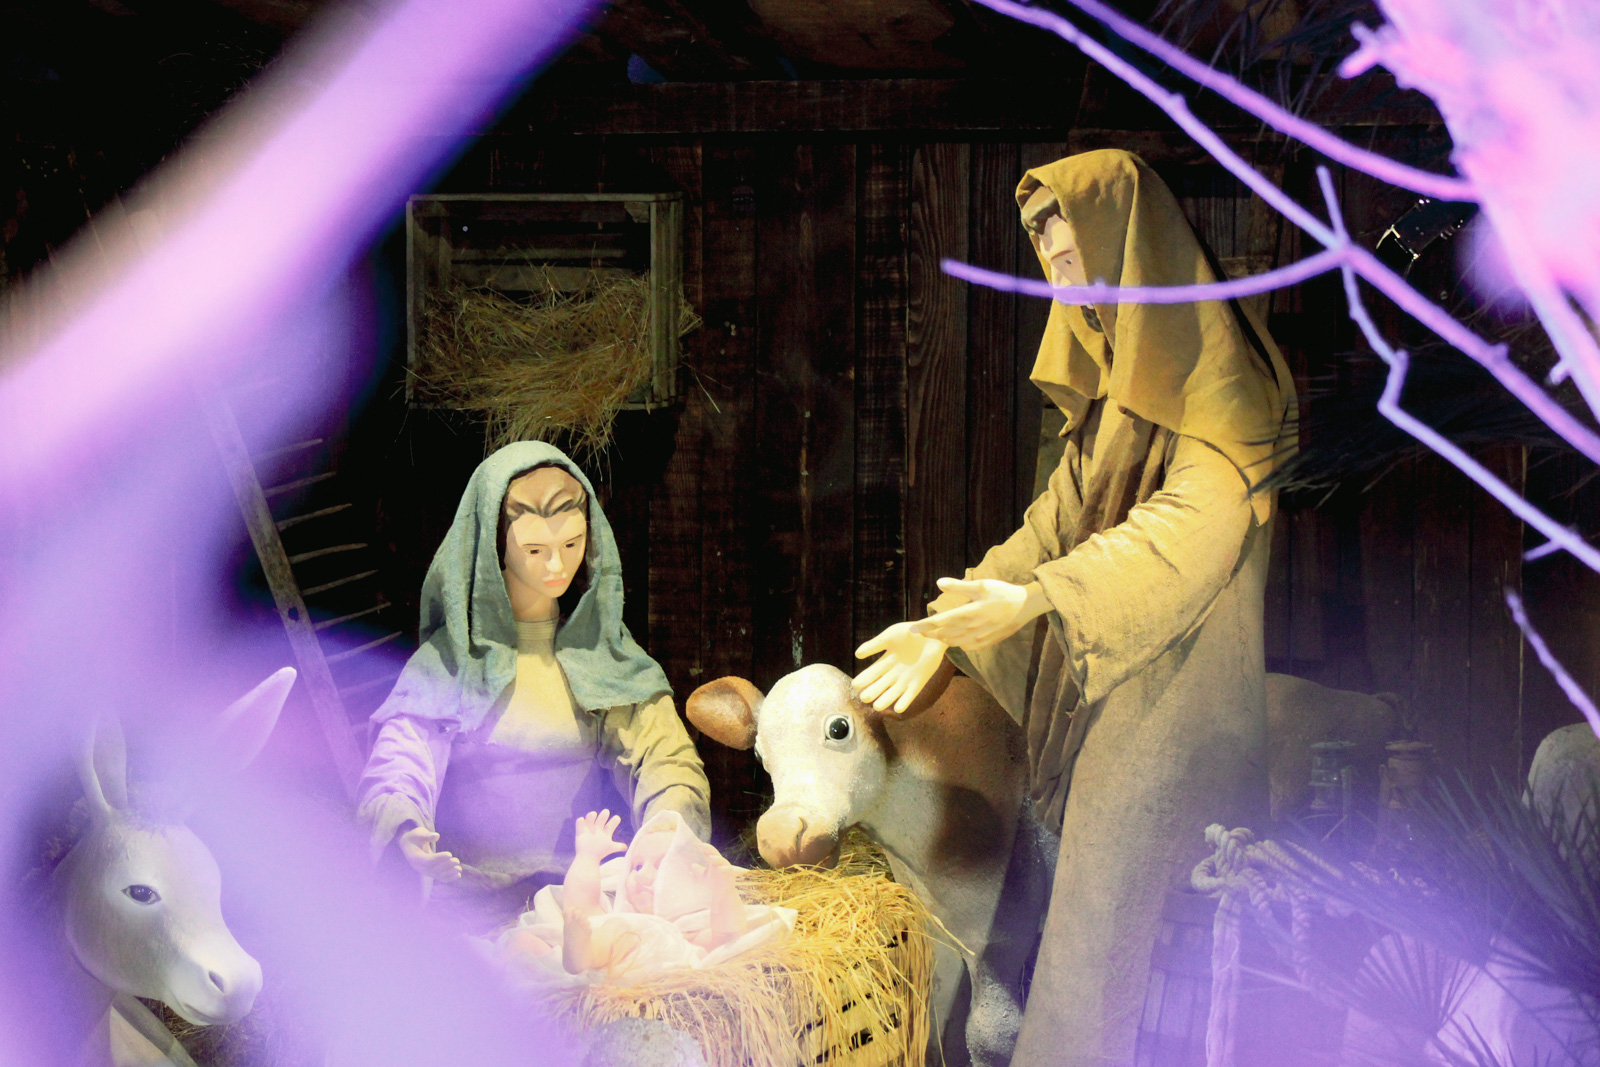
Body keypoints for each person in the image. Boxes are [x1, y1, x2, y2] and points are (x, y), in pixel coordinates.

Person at [853, 149, 1295, 1067]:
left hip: (1181, 700)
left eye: (1069, 241)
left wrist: (1038, 598)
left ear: (1131, 245)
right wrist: (946, 624)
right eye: (1045, 249)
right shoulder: (1116, 389)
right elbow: (1051, 524)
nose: (1055, 261)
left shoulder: (1227, 380)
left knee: (1104, 933)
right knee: (1045, 919)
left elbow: (1187, 531)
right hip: (1102, 685)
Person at [357, 441, 711, 926]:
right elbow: (401, 761)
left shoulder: (605, 661)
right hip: (468, 911)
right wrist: (402, 823)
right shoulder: (450, 665)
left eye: (572, 545)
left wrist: (668, 826)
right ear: (494, 544)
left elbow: (665, 758)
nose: (557, 567)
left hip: (582, 907)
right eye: (535, 550)